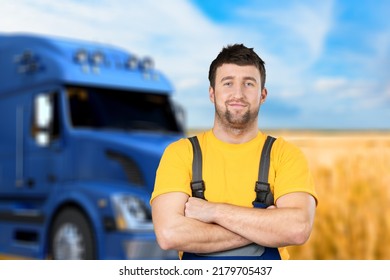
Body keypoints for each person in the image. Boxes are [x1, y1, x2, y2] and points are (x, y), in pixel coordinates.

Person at [150, 44, 317, 260]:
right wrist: (265, 226)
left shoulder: (285, 154)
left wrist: (213, 212)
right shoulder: (181, 153)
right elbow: (169, 234)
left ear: (263, 94)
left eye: (249, 83)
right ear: (212, 93)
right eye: (228, 83)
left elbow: (297, 229)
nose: (238, 94)